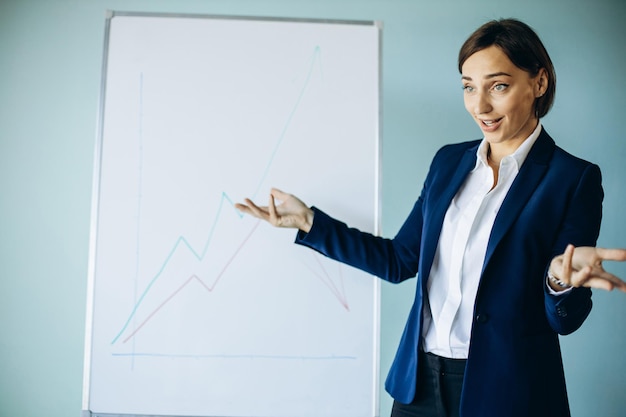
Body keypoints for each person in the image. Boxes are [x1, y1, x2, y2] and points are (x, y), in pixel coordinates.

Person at [235, 18, 626, 417]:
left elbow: (564, 320)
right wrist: (309, 222)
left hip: (509, 392)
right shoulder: (449, 163)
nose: (480, 106)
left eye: (499, 86)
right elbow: (399, 260)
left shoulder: (572, 178)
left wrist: (559, 280)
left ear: (538, 83)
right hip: (419, 386)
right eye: (468, 87)